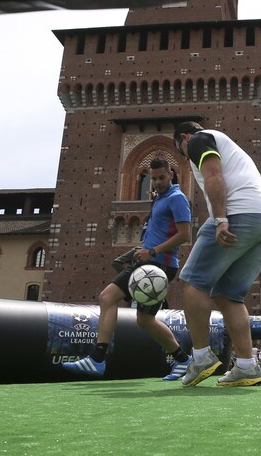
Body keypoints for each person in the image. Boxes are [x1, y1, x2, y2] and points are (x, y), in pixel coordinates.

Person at [172, 121, 261, 387]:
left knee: (191, 282)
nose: (187, 159)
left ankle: (201, 357)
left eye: (182, 152)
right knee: (227, 294)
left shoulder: (199, 139)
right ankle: (246, 365)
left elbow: (213, 175)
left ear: (185, 137)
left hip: (238, 215)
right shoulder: (227, 143)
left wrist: (221, 219)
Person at [63, 158, 192, 380]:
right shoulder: (159, 197)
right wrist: (139, 251)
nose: (158, 182)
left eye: (162, 177)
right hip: (149, 262)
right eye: (154, 179)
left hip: (157, 265)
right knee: (144, 320)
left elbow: (185, 235)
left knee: (107, 297)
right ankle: (182, 360)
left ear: (171, 174)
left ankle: (97, 359)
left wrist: (151, 252)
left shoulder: (177, 199)